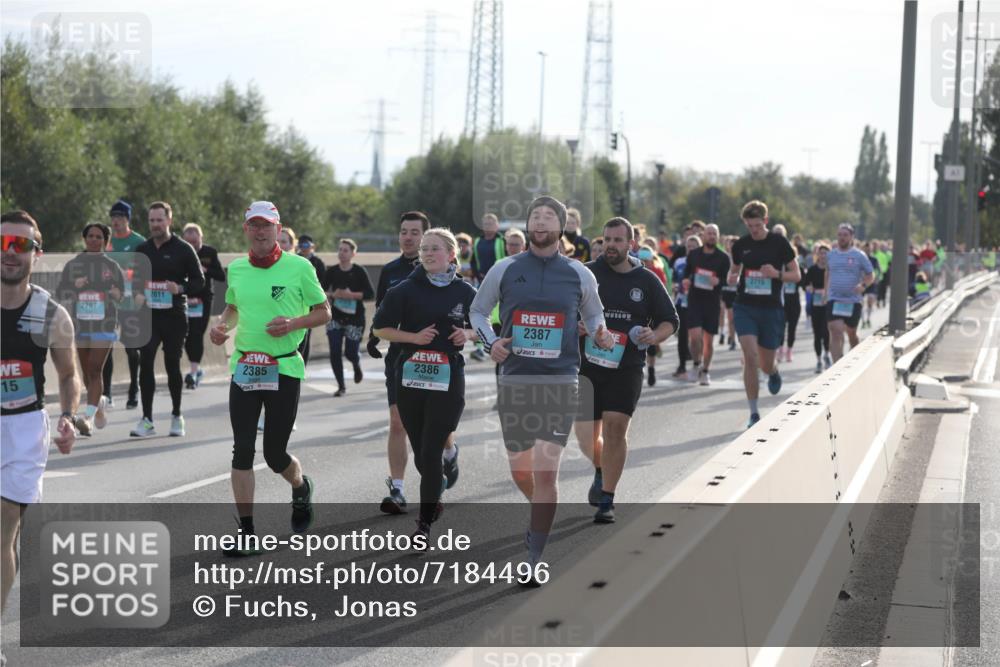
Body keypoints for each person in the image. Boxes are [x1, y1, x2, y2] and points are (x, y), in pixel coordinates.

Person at [471, 195, 612, 583]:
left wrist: (599, 332)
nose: (541, 221)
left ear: (561, 227)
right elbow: (478, 311)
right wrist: (490, 342)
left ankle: (533, 557)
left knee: (546, 474)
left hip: (560, 381)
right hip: (515, 379)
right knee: (521, 470)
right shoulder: (505, 268)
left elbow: (594, 315)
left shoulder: (579, 274)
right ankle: (541, 512)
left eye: (549, 216)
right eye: (535, 216)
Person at [209, 201, 330, 552]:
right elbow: (234, 307)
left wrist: (293, 324)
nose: (260, 232)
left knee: (275, 454)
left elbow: (324, 312)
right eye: (255, 225)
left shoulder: (300, 267)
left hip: (284, 367)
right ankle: (247, 532)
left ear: (278, 229)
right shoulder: (237, 269)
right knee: (242, 449)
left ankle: (300, 487)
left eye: (267, 226)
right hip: (246, 366)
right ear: (246, 229)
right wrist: (222, 325)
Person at [373, 228, 477, 543]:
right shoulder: (404, 290)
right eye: (425, 249)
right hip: (411, 378)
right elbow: (380, 329)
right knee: (422, 453)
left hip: (448, 379)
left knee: (431, 451)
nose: (428, 254)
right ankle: (436, 492)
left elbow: (490, 325)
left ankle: (423, 525)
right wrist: (413, 338)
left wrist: (467, 334)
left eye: (435, 249)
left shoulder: (465, 292)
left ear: (451, 254)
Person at [2, 210, 79, 620]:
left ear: (37, 253)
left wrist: (68, 416)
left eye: (21, 244)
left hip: (24, 431)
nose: (10, 252)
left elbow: (68, 375)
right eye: (3, 243)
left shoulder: (51, 314)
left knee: (3, 528)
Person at [574, 217, 678, 523]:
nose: (611, 245)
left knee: (615, 427)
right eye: (607, 239)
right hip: (587, 365)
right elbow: (563, 310)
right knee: (585, 437)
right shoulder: (587, 274)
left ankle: (607, 499)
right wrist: (576, 325)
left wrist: (654, 335)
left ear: (631, 244)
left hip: (627, 366)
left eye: (618, 240)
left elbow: (670, 320)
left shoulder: (646, 281)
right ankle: (600, 468)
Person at [130, 202, 205, 438]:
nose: (155, 225)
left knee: (172, 364)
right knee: (146, 361)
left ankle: (176, 415)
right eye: (151, 220)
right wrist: (137, 293)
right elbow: (135, 280)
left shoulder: (183, 249)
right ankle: (147, 420)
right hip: (149, 315)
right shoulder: (142, 250)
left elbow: (199, 281)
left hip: (174, 316)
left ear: (169, 221)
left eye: (159, 220)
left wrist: (180, 288)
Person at [728, 200, 800, 429]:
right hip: (745, 306)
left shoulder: (779, 243)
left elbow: (796, 275)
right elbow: (734, 271)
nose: (754, 230)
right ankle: (754, 412)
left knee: (766, 364)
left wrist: (776, 274)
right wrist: (731, 277)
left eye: (758, 225)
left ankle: (773, 371)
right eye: (750, 226)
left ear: (766, 221)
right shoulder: (741, 245)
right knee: (750, 357)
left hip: (771, 309)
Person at [55, 223, 125, 435]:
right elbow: (61, 292)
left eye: (99, 237)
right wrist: (74, 285)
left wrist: (115, 294)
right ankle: (98, 403)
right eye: (91, 236)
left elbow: (122, 295)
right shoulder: (74, 264)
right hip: (81, 323)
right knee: (86, 373)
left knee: (95, 368)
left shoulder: (112, 266)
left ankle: (87, 418)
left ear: (105, 241)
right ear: (85, 239)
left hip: (104, 323)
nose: (94, 240)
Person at [104, 199, 145, 409]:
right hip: (109, 303)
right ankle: (107, 393)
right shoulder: (107, 242)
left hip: (130, 302)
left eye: (120, 217)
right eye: (113, 217)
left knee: (131, 348)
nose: (116, 221)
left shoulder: (138, 242)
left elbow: (146, 270)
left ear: (127, 219)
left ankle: (134, 387)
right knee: (106, 347)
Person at [323, 238, 374, 397]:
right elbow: (320, 291)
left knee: (350, 352)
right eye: (340, 249)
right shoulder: (332, 271)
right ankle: (341, 386)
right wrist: (333, 294)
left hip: (355, 318)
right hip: (335, 317)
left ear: (353, 253)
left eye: (345, 250)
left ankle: (356, 364)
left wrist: (351, 295)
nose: (342, 253)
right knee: (334, 350)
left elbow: (370, 294)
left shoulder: (359, 271)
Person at [682, 223, 731, 385]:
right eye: (709, 233)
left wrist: (719, 281)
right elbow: (687, 272)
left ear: (717, 237)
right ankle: (696, 364)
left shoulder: (723, 258)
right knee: (695, 337)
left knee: (708, 341)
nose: (711, 236)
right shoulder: (694, 254)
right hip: (695, 300)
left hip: (712, 302)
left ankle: (706, 371)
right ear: (703, 236)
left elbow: (727, 280)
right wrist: (686, 280)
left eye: (714, 234)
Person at [182, 223, 226, 389]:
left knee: (197, 333)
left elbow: (221, 275)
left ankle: (193, 372)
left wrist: (205, 270)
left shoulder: (209, 252)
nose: (192, 246)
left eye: (195, 242)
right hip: (185, 298)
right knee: (185, 335)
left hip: (203, 299)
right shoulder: (181, 252)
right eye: (189, 242)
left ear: (201, 238)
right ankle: (197, 369)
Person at [825, 224, 875, 362]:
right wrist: (825, 293)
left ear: (852, 237)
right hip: (834, 299)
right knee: (836, 331)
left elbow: (871, 275)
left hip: (853, 301)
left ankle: (854, 359)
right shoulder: (831, 255)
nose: (842, 238)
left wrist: (863, 285)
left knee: (851, 334)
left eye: (845, 235)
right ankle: (837, 365)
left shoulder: (859, 255)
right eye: (840, 235)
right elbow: (827, 273)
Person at [470, 213, 506, 361]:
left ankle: (500, 341)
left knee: (497, 315)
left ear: (497, 226)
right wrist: (477, 275)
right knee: (480, 314)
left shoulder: (502, 241)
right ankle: (480, 348)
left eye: (491, 224)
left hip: (499, 283)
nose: (488, 227)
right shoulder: (478, 241)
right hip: (481, 282)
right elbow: (473, 261)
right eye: (485, 224)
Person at [770, 225, 802, 364]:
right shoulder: (770, 255)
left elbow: (801, 278)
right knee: (780, 327)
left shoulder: (790, 256)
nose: (778, 236)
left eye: (780, 234)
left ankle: (789, 350)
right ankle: (780, 349)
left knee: (792, 327)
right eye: (776, 234)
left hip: (792, 299)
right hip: (777, 298)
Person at [296, 234, 326, 367]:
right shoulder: (295, 260)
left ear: (312, 246)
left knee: (306, 335)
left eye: (306, 245)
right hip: (296, 303)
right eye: (301, 245)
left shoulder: (318, 263)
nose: (304, 248)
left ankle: (303, 364)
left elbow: (323, 283)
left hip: (311, 305)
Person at [804, 242, 832, 372]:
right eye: (821, 253)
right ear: (817, 255)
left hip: (828, 304)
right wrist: (810, 288)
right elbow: (805, 284)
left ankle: (827, 354)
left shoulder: (831, 270)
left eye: (825, 253)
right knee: (817, 333)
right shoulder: (812, 270)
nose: (823, 255)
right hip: (816, 304)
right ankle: (819, 360)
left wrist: (828, 292)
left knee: (826, 332)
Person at [719, 235, 738, 351]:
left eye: (734, 246)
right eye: (730, 245)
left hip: (736, 291)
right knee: (722, 313)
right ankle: (724, 334)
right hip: (724, 290)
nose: (732, 247)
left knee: (732, 318)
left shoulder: (742, 259)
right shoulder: (724, 258)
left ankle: (733, 338)